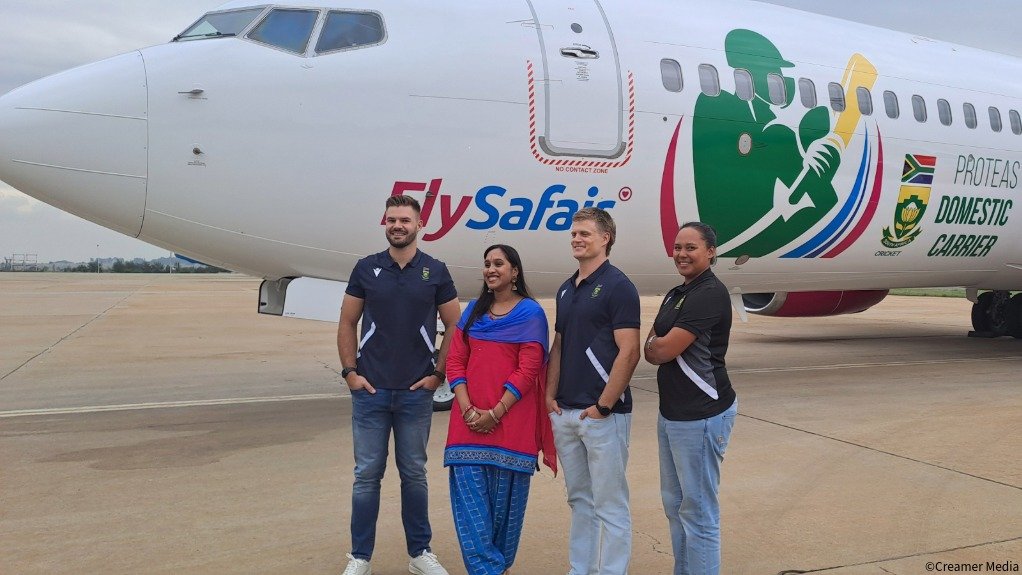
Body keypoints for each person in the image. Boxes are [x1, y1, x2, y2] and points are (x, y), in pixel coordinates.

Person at [337, 194, 460, 575]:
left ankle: (420, 553)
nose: (397, 226)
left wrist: (438, 375)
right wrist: (350, 373)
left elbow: (456, 325)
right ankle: (360, 558)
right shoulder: (366, 268)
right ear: (385, 224)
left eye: (404, 220)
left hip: (414, 394)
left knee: (414, 476)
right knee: (366, 477)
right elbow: (347, 323)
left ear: (419, 225)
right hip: (370, 392)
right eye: (391, 220)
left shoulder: (436, 271)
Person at [444, 244, 557, 575]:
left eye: (498, 264)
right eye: (486, 264)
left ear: (514, 272)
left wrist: (495, 412)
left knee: (506, 517)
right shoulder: (473, 312)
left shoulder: (530, 313)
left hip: (511, 427)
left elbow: (529, 367)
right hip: (467, 428)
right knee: (471, 515)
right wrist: (467, 408)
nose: (490, 269)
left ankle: (498, 568)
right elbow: (454, 359)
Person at [546, 207, 641, 575]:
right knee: (580, 501)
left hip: (603, 416)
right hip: (566, 413)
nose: (576, 238)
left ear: (606, 239)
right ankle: (580, 569)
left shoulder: (618, 286)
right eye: (574, 233)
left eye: (584, 233)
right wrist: (549, 396)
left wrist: (604, 405)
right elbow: (559, 344)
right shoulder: (566, 288)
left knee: (611, 503)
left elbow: (629, 350)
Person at [643, 222, 738, 575]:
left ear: (711, 252)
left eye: (691, 248)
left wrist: (656, 346)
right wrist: (655, 346)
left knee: (698, 512)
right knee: (675, 504)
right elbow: (652, 341)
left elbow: (661, 347)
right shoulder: (675, 294)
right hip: (672, 414)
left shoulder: (710, 292)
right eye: (677, 247)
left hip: (701, 415)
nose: (682, 254)